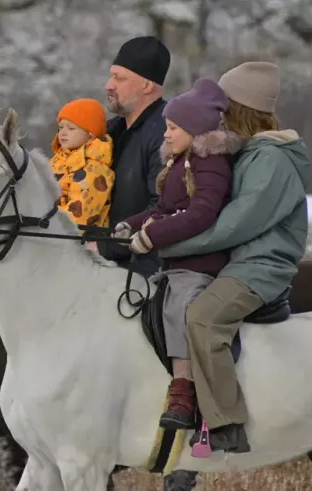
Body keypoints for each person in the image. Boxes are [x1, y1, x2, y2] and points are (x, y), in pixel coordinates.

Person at [152, 61, 311, 453]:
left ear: (240, 110)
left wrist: (167, 244)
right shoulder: (247, 154)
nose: (216, 116)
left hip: (261, 265)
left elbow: (235, 225)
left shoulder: (271, 160)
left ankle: (225, 423)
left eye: (224, 108)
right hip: (236, 261)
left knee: (203, 318)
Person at [116, 78, 244, 431]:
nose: (166, 134)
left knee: (179, 307)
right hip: (174, 262)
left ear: (196, 130)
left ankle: (184, 390)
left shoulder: (211, 165)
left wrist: (152, 236)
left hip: (201, 265)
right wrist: (131, 225)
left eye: (173, 128)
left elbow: (201, 214)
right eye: (167, 127)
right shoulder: (180, 162)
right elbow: (164, 209)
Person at [97, 36, 171, 278]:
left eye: (120, 78)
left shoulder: (166, 133)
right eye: (111, 76)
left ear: (147, 86)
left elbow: (162, 208)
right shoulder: (111, 131)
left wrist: (103, 246)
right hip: (102, 266)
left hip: (142, 275)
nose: (109, 85)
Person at [49, 98, 115, 228]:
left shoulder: (95, 169)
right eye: (61, 127)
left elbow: (79, 215)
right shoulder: (57, 161)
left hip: (77, 241)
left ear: (90, 135)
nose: (63, 133)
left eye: (71, 128)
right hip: (47, 232)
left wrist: (42, 220)